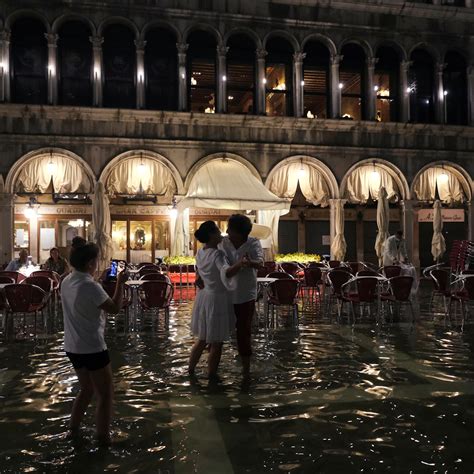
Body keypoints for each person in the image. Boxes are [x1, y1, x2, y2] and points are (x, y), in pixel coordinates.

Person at [61, 236, 127, 445]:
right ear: (90, 263)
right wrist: (119, 283)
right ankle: (103, 438)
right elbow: (115, 308)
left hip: (73, 347)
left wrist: (98, 278)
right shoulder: (91, 287)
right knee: (106, 394)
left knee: (87, 388)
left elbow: (88, 290)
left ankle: (73, 428)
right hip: (92, 348)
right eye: (97, 260)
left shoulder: (67, 281)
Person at [188, 221, 245, 379]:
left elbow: (199, 271)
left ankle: (190, 371)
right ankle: (212, 377)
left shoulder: (200, 252)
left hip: (204, 296)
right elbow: (225, 273)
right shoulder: (217, 254)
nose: (221, 234)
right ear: (212, 235)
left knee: (202, 339)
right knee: (217, 342)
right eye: (218, 232)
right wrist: (240, 264)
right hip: (217, 299)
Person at [219, 214, 264, 376]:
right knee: (219, 329)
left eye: (229, 228)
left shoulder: (253, 243)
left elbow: (260, 262)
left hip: (246, 293)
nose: (226, 231)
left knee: (244, 331)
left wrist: (248, 263)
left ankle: (246, 369)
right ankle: (214, 365)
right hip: (224, 293)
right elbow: (218, 264)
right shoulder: (223, 243)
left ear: (238, 232)